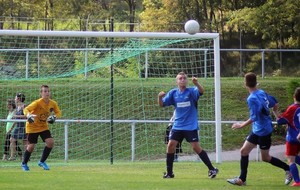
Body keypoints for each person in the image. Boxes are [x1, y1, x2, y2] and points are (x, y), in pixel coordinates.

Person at [227, 72, 292, 186]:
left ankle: (288, 169)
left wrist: (241, 125)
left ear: (245, 84)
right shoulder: (261, 92)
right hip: (258, 129)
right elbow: (274, 102)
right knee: (244, 151)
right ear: (256, 82)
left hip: (264, 131)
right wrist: (275, 112)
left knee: (265, 158)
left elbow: (254, 117)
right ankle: (242, 179)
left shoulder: (251, 98)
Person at [158, 71, 218, 179]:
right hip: (178, 126)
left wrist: (196, 83)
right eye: (180, 78)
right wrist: (159, 97)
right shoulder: (173, 93)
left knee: (196, 147)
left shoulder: (191, 92)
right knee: (170, 146)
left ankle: (212, 169)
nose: (182, 80)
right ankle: (169, 173)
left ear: (187, 80)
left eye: (184, 78)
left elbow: (201, 91)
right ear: (177, 81)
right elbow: (162, 104)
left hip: (190, 126)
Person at [21, 85, 62, 171]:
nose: (47, 93)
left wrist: (55, 117)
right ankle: (24, 163)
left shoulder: (53, 103)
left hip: (43, 126)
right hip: (32, 127)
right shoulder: (37, 103)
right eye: (45, 91)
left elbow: (58, 112)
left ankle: (42, 162)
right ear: (41, 93)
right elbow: (26, 109)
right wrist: (28, 115)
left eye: (48, 91)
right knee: (31, 146)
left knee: (50, 142)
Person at [275, 87, 300, 186]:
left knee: (290, 159)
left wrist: (275, 111)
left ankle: (297, 181)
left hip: (293, 137)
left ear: (294, 97)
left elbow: (280, 121)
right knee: (295, 156)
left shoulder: (292, 108)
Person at [9, 93, 27, 161]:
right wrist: (11, 128)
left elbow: (26, 116)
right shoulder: (17, 107)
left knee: (25, 142)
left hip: (24, 126)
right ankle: (12, 156)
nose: (14, 99)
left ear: (19, 99)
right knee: (12, 139)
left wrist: (16, 116)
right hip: (18, 126)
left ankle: (26, 157)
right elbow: (16, 119)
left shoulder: (24, 106)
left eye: (15, 98)